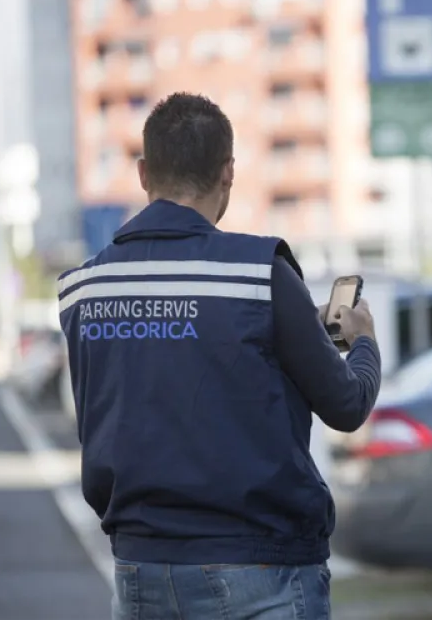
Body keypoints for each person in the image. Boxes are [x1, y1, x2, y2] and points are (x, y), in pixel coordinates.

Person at [57, 92, 382, 620]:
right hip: (260, 566)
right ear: (228, 172)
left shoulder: (84, 288)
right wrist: (362, 341)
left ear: (144, 173)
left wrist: (296, 326)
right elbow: (346, 405)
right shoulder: (257, 272)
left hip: (139, 568)